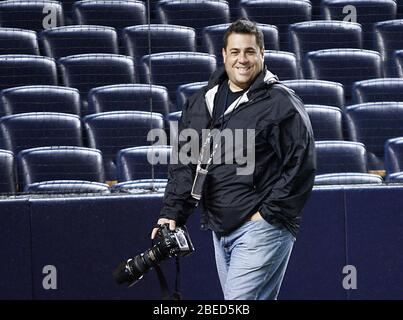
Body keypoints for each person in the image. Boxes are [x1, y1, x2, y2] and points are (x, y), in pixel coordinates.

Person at [151, 18, 316, 300]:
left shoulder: (280, 102)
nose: (243, 59)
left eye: (250, 52)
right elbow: (185, 163)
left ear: (262, 55)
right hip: (221, 229)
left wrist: (265, 216)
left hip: (261, 228)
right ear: (224, 55)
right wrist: (171, 213)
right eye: (236, 52)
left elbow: (301, 165)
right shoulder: (203, 101)